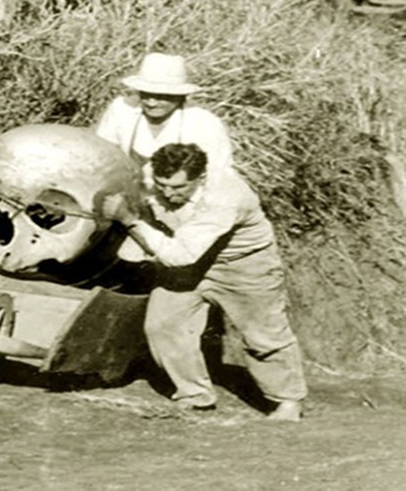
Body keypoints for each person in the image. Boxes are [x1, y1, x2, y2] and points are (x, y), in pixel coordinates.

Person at [101, 143, 306, 422]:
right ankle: (194, 394)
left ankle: (287, 402)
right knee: (164, 324)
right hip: (191, 262)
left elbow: (179, 255)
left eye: (179, 188)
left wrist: (128, 219)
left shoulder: (226, 197)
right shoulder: (153, 178)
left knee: (263, 335)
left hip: (243, 267)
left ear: (201, 178)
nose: (169, 193)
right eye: (163, 186)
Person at [95, 52, 232, 184]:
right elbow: (103, 153)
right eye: (146, 94)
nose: (151, 103)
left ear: (180, 96)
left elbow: (219, 174)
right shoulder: (122, 108)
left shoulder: (204, 123)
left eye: (162, 96)